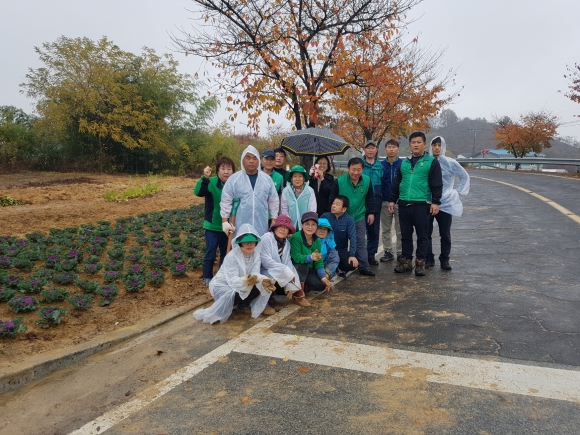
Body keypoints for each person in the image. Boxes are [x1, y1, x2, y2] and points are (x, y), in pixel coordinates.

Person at [192, 224, 277, 324]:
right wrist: (246, 280)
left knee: (261, 285)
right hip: (224, 285)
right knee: (231, 293)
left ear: (256, 243)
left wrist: (262, 279)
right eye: (246, 242)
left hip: (241, 284)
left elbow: (255, 272)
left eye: (252, 242)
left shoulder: (256, 255)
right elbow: (232, 280)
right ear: (240, 243)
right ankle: (218, 313)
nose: (249, 245)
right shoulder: (232, 256)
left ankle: (243, 304)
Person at [388, 132, 443, 276]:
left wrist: (436, 202)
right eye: (413, 142)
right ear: (410, 145)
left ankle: (420, 263)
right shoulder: (404, 162)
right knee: (405, 236)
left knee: (423, 236)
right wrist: (392, 200)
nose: (416, 145)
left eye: (419, 142)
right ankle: (406, 262)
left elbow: (437, 184)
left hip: (422, 204)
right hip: (404, 204)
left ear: (424, 144)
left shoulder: (432, 162)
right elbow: (397, 182)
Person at [426, 136, 470, 270]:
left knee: (445, 233)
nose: (437, 148)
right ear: (430, 146)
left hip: (445, 202)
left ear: (443, 147)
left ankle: (444, 259)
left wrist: (456, 192)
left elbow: (464, 176)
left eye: (439, 145)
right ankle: (428, 258)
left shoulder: (450, 163)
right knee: (426, 233)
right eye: (434, 145)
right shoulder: (426, 162)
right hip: (428, 201)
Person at [329, 157, 376, 276]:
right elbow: (332, 198)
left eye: (359, 169)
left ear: (362, 169)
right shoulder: (339, 181)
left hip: (359, 216)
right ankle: (337, 265)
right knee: (339, 242)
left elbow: (370, 197)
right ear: (348, 169)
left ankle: (364, 267)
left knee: (360, 242)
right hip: (342, 217)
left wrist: (371, 212)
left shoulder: (367, 180)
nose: (355, 172)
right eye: (353, 169)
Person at [220, 145, 279, 238]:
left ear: (259, 161)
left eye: (254, 158)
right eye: (248, 158)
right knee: (240, 245)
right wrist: (225, 221)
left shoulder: (266, 179)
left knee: (260, 245)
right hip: (239, 224)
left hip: (261, 224)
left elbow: (273, 200)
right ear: (242, 160)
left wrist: (274, 219)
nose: (251, 161)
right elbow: (226, 200)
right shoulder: (234, 179)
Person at [193, 157, 236, 285]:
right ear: (217, 171)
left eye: (229, 169)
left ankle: (221, 277)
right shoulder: (211, 182)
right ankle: (207, 277)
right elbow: (198, 192)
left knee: (225, 253)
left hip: (228, 227)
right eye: (223, 168)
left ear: (233, 171)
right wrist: (205, 178)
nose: (226, 172)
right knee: (210, 252)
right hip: (212, 226)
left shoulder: (235, 185)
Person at [259, 215, 310, 307]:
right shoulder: (266, 238)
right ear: (275, 228)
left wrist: (293, 284)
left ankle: (295, 293)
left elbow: (287, 262)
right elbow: (266, 261)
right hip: (262, 271)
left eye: (286, 228)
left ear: (288, 231)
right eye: (280, 226)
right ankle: (263, 303)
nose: (283, 229)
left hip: (278, 271)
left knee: (291, 271)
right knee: (270, 275)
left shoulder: (286, 243)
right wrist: (286, 272)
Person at [290, 211, 332, 292]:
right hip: (297, 268)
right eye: (307, 224)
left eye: (313, 224)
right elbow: (296, 257)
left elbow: (319, 261)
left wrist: (323, 277)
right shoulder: (296, 237)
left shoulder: (317, 240)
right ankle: (298, 289)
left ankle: (304, 286)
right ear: (302, 225)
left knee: (321, 286)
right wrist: (311, 257)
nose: (310, 227)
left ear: (316, 226)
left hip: (310, 269)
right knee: (302, 266)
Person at [321, 195, 359, 277]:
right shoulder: (325, 216)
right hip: (326, 249)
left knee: (351, 264)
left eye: (337, 204)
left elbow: (352, 237)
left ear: (344, 209)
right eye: (333, 203)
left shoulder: (349, 219)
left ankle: (337, 268)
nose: (333, 206)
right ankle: (331, 268)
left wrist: (352, 255)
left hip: (341, 250)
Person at [380, 139, 403, 263]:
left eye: (394, 147)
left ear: (398, 149)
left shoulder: (403, 164)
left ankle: (400, 252)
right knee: (386, 229)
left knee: (400, 229)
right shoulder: (381, 165)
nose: (391, 149)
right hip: (385, 201)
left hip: (400, 201)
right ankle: (388, 251)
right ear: (385, 150)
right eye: (389, 147)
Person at [362, 140, 384, 265]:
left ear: (376, 149)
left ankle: (371, 255)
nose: (370, 150)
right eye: (368, 148)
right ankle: (360, 255)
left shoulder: (380, 166)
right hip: (361, 201)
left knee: (374, 231)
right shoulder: (360, 165)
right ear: (364, 150)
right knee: (360, 230)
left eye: (373, 148)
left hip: (376, 202)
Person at [281, 165, 317, 231]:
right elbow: (284, 209)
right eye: (295, 176)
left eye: (300, 176)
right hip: (290, 225)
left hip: (306, 226)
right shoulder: (286, 191)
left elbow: (312, 209)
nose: (297, 179)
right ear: (291, 179)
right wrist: (288, 225)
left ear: (304, 178)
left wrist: (307, 223)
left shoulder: (310, 191)